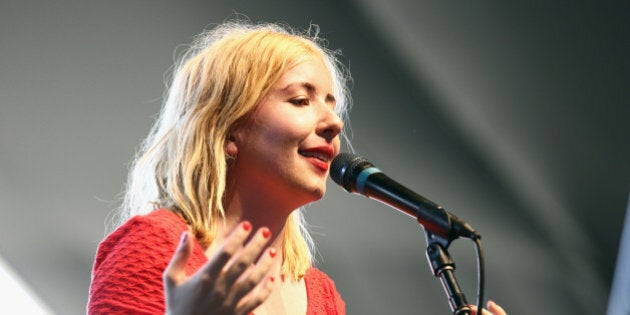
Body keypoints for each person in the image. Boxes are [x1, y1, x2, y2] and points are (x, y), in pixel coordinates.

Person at [87, 20, 507, 315]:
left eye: (332, 104)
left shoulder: (319, 295)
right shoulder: (155, 250)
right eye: (301, 100)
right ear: (229, 130)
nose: (334, 122)